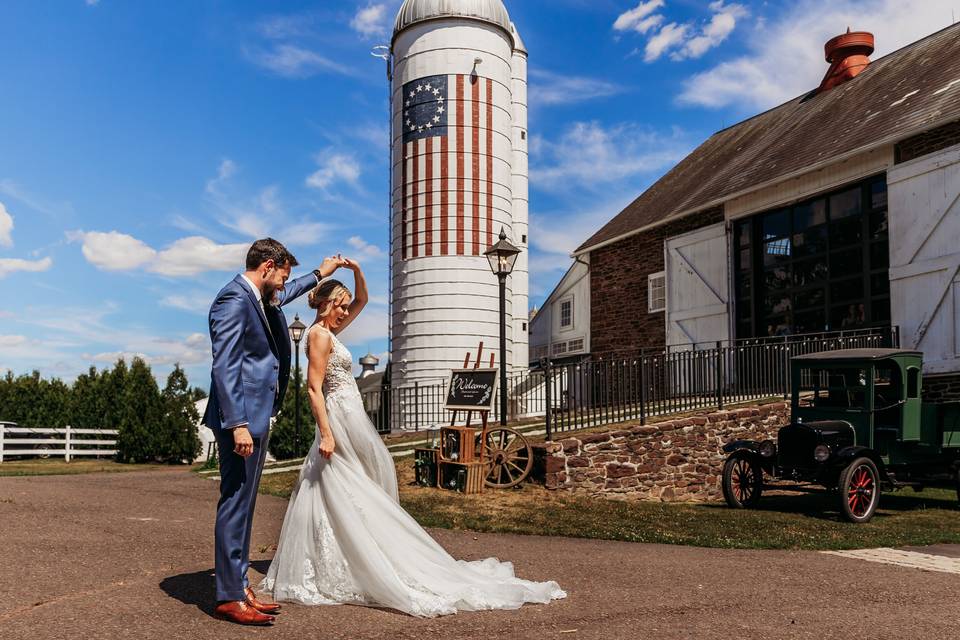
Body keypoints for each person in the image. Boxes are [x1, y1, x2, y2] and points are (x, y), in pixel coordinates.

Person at [261, 259, 566, 617]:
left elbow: (362, 300)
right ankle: (342, 559)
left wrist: (357, 270)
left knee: (358, 484)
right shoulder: (317, 335)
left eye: (345, 305)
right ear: (326, 304)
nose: (345, 311)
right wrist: (326, 433)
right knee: (340, 485)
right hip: (338, 418)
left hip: (352, 415)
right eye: (339, 305)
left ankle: (361, 550)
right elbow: (313, 389)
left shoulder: (332, 332)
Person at [202, 238, 346, 626]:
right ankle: (229, 596)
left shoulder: (262, 298)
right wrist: (238, 425)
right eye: (281, 277)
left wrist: (320, 273)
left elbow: (293, 289)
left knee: (245, 505)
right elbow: (225, 366)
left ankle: (237, 583)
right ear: (267, 267)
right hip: (243, 420)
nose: (284, 285)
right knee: (235, 501)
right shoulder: (233, 300)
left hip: (255, 415)